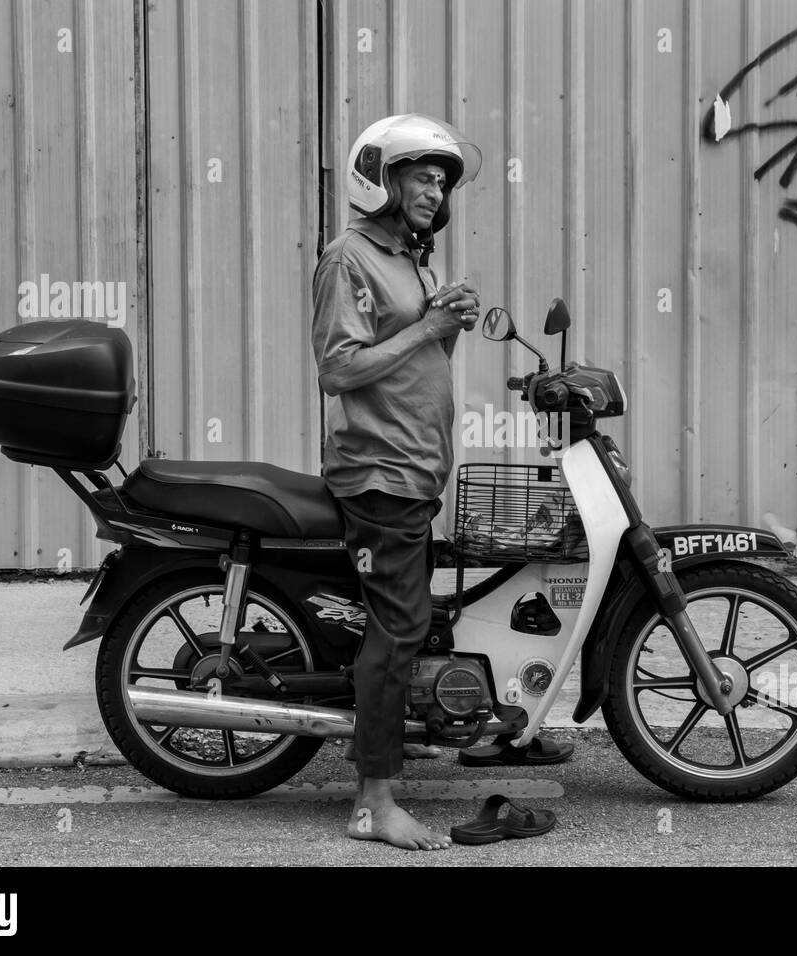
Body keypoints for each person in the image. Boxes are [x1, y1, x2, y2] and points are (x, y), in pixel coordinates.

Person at [311, 114, 481, 850]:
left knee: (409, 620)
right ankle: (372, 805)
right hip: (378, 473)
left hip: (413, 470)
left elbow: (413, 344)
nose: (434, 187)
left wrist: (450, 319)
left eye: (441, 179)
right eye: (421, 174)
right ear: (380, 178)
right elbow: (338, 368)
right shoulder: (348, 257)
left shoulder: (413, 257)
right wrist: (422, 331)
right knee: (400, 628)